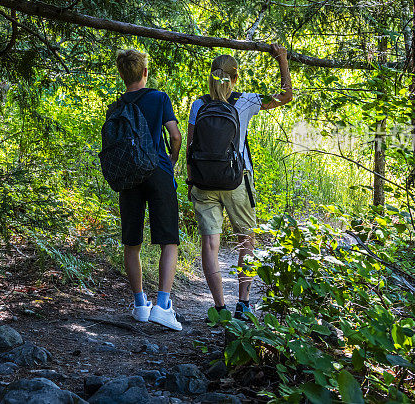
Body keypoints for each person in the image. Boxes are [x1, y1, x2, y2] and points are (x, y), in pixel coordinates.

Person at [186, 44, 292, 320]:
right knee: (246, 240)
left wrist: (191, 180)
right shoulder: (245, 101)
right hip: (237, 181)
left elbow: (190, 146)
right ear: (235, 78)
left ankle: (219, 308)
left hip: (203, 184)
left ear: (210, 76)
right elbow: (286, 96)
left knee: (210, 244)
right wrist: (282, 59)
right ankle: (243, 304)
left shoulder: (198, 104)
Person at [109, 48, 183, 330]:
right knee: (168, 240)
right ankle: (162, 306)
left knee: (132, 242)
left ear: (122, 74)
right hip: (158, 171)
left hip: (129, 176)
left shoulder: (116, 107)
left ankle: (140, 305)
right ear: (144, 72)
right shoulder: (159, 98)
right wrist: (171, 158)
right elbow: (174, 135)